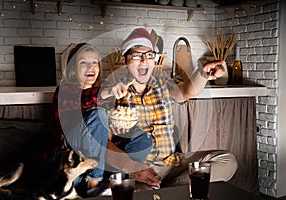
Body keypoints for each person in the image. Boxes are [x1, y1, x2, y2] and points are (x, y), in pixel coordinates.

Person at [100, 27, 238, 189]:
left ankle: (168, 190)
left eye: (149, 55)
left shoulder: (162, 85)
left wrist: (203, 74)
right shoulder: (112, 92)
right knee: (139, 193)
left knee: (227, 160)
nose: (144, 60)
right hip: (141, 169)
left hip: (173, 162)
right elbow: (104, 144)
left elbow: (186, 91)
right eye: (137, 55)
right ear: (124, 60)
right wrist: (133, 169)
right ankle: (173, 190)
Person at [45, 43, 110, 192]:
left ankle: (94, 181)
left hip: (83, 170)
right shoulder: (64, 91)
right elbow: (82, 98)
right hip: (65, 163)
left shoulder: (102, 98)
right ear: (73, 69)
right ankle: (93, 185)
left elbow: (104, 139)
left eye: (94, 62)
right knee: (98, 114)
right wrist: (108, 91)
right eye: (84, 63)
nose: (90, 67)